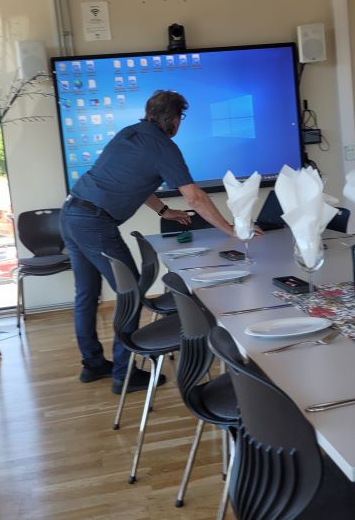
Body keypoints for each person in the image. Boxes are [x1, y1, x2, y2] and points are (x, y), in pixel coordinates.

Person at [60, 90, 261, 394]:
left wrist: (164, 211)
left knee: (86, 294)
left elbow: (137, 181)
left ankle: (93, 364)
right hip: (94, 223)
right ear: (176, 119)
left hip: (71, 213)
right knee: (130, 293)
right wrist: (230, 229)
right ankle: (124, 375)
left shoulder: (130, 133)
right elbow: (195, 197)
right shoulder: (164, 146)